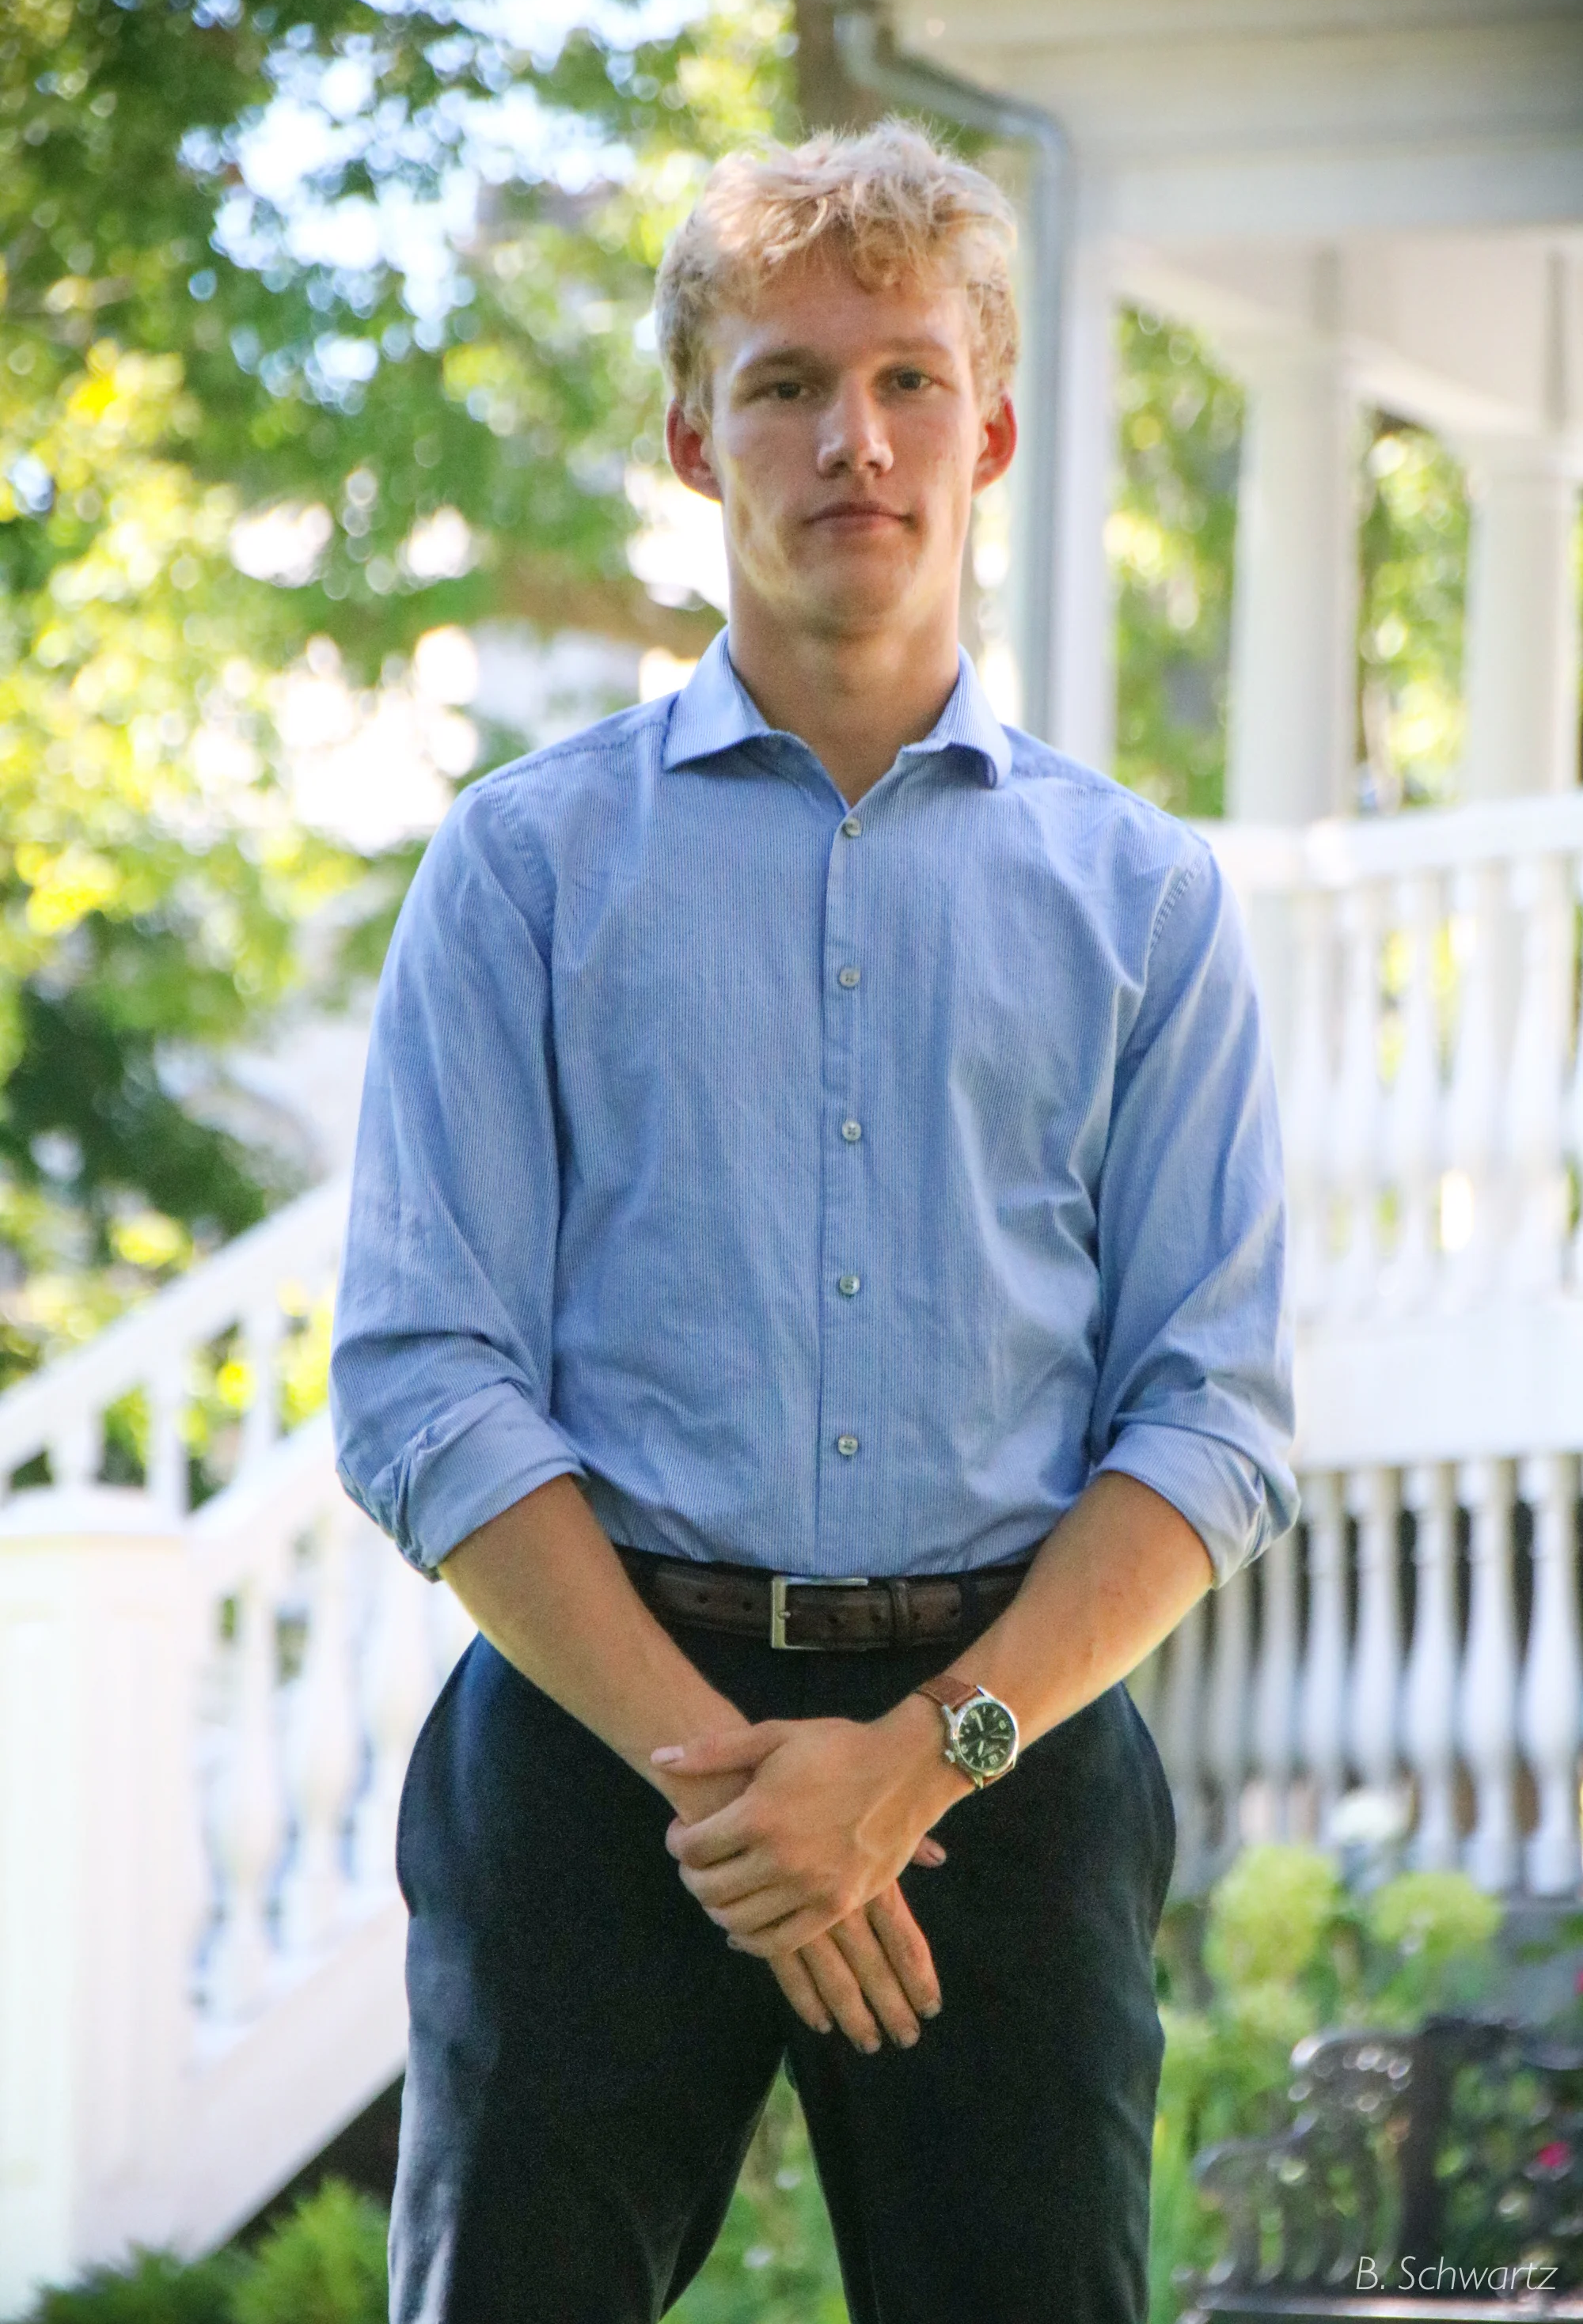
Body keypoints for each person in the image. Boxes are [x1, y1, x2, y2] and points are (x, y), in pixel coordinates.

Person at [331, 119, 1296, 2324]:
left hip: (1012, 1769)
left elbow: (1214, 1412)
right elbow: (422, 1376)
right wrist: (739, 1787)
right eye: (782, 383)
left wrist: (916, 1761)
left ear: (995, 427)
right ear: (693, 439)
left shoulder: (1144, 899)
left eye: (905, 381)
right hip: (594, 1766)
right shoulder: (522, 872)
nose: (850, 439)